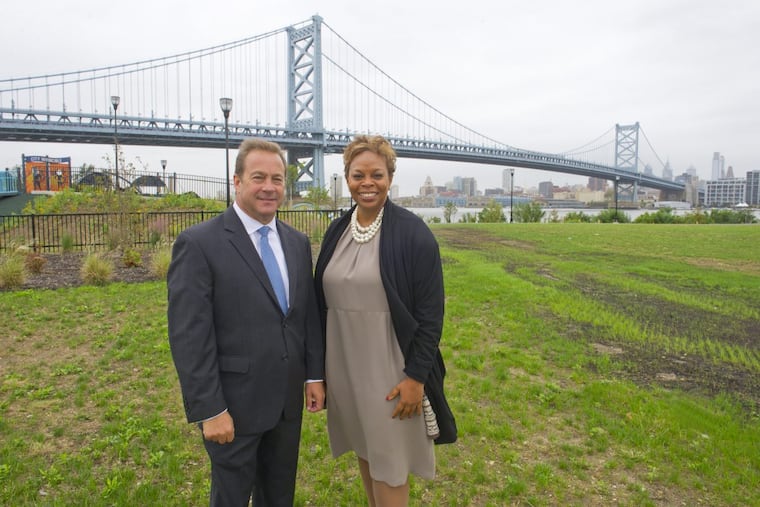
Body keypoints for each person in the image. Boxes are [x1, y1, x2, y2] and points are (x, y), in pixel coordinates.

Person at [167, 137, 325, 506]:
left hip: (286, 404)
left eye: (277, 179)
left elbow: (305, 317)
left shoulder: (297, 243)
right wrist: (210, 410)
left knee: (278, 496)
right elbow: (190, 337)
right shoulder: (200, 244)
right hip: (233, 409)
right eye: (258, 177)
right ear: (236, 181)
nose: (269, 187)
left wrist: (314, 375)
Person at [314, 134, 456, 507]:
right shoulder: (337, 231)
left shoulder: (413, 234)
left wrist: (416, 377)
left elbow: (430, 315)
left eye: (376, 174)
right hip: (344, 368)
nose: (367, 183)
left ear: (390, 177)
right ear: (347, 178)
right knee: (365, 451)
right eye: (358, 175)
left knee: (389, 465)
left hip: (390, 372)